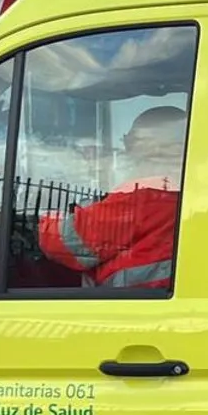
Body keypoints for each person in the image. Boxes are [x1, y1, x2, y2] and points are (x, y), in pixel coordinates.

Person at [37, 105, 185, 289]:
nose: (126, 148)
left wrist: (43, 220)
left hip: (128, 306)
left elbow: (66, 244)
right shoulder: (188, 193)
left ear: (155, 147)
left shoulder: (144, 197)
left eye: (131, 141)